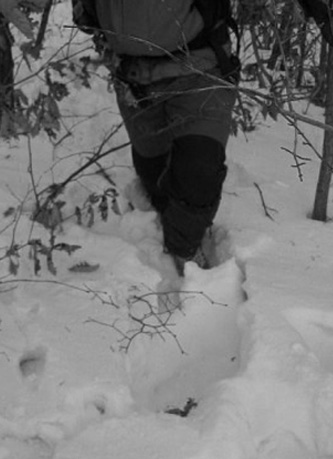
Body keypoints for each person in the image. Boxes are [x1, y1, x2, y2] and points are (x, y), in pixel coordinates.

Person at [72, 0, 240, 275]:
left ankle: (185, 256)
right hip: (134, 77)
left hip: (200, 68)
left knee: (199, 168)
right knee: (153, 169)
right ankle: (165, 221)